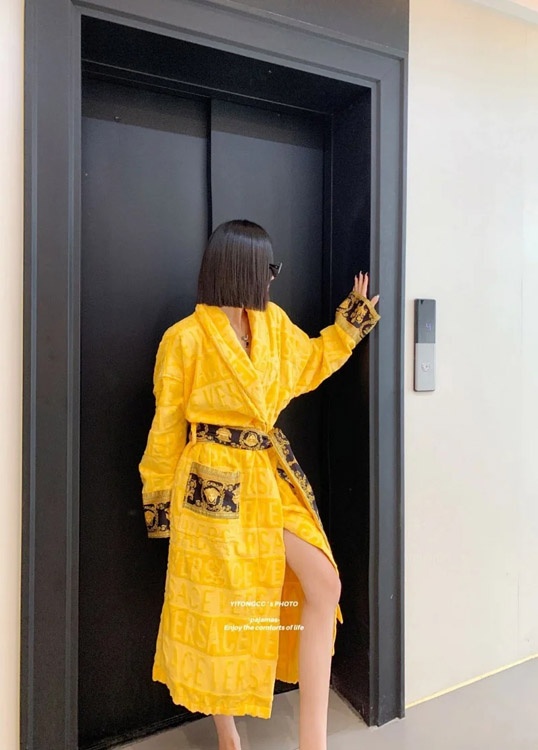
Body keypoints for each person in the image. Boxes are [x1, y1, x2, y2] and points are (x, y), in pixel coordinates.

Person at [138, 218, 381, 750]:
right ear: (243, 267)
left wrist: (349, 325)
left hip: (266, 477)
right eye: (269, 267)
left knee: (324, 583)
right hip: (211, 488)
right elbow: (165, 427)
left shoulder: (274, 326)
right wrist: (161, 504)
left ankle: (312, 741)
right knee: (220, 608)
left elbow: (311, 361)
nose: (272, 277)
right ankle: (227, 734)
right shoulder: (184, 339)